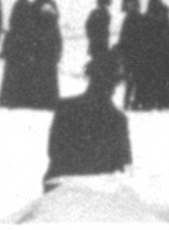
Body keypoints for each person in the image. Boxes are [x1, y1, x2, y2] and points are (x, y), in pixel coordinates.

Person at [42, 53, 131, 191]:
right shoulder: (118, 119)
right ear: (115, 84)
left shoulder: (65, 108)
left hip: (61, 187)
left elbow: (53, 150)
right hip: (96, 193)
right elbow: (123, 165)